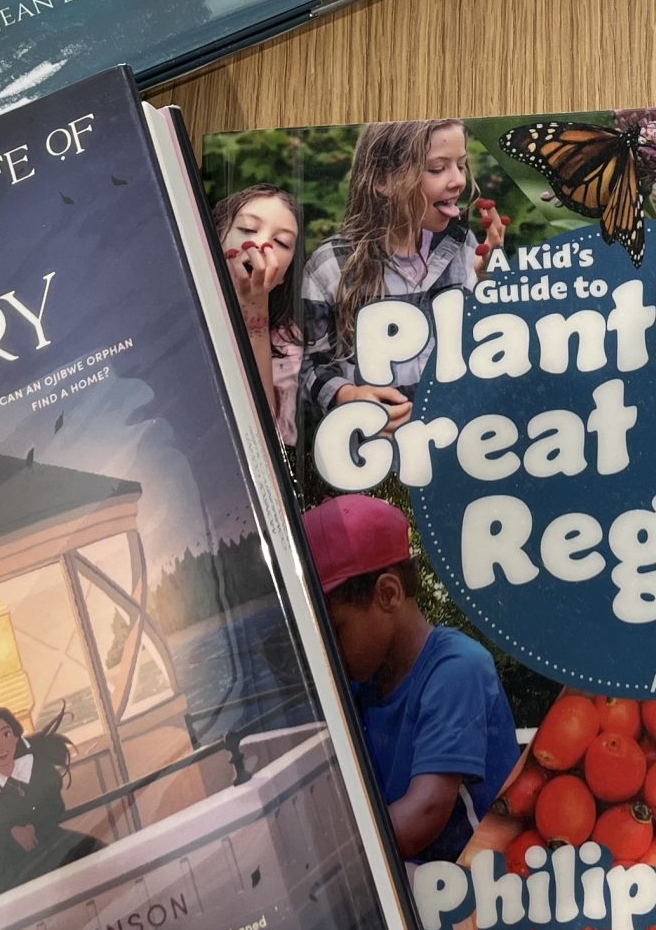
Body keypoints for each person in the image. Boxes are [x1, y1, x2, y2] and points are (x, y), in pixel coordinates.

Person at [306, 495, 518, 865]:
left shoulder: (457, 669)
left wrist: (329, 864)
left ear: (388, 594)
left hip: (475, 882)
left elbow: (425, 812)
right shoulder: (362, 681)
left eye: (335, 631)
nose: (327, 652)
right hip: (411, 880)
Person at [299, 121, 503, 445]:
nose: (459, 180)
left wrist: (489, 280)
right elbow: (306, 363)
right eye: (437, 169)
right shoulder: (331, 266)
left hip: (456, 444)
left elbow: (482, 346)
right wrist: (347, 395)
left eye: (461, 165)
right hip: (375, 454)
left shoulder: (463, 246)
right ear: (382, 180)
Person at [0, 709, 103, 896]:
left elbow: (55, 806)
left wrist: (33, 826)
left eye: (6, 735)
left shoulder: (37, 767)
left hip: (52, 843)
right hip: (14, 865)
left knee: (99, 862)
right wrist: (13, 832)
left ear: (16, 737)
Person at [213, 186, 304, 441]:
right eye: (248, 229)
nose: (262, 244)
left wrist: (255, 312)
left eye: (281, 242)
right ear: (216, 237)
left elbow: (264, 436)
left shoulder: (286, 342)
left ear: (285, 275)